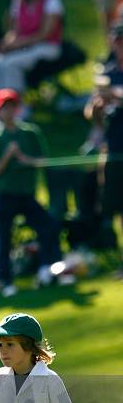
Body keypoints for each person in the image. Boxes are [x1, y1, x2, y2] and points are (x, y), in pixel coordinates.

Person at [0, 88, 61, 297]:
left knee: (47, 226)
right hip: (5, 194)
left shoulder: (30, 132)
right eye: (4, 108)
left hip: (27, 193)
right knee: (4, 238)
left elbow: (42, 160)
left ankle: (49, 269)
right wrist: (8, 156)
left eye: (12, 107)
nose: (9, 112)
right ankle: (6, 280)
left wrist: (22, 158)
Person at [84, 19, 123, 250]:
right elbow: (93, 114)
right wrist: (97, 110)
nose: (119, 46)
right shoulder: (107, 74)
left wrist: (116, 97)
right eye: (116, 41)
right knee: (115, 207)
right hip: (115, 148)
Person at [0, 0, 64, 93]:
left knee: (11, 64)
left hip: (47, 47)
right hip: (25, 48)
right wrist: (7, 43)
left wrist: (20, 43)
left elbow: (45, 34)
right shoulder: (18, 1)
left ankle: (16, 104)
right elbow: (14, 31)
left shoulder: (51, 0)